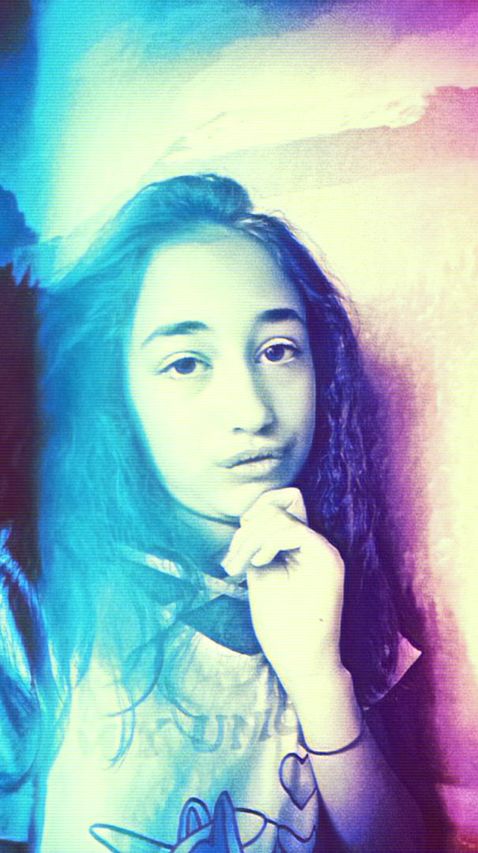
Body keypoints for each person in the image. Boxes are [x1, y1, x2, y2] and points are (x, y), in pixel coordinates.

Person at [0, 174, 451, 852]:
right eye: (186, 363)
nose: (252, 410)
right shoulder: (28, 593)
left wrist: (318, 679)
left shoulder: (338, 579)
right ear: (113, 390)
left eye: (277, 351)